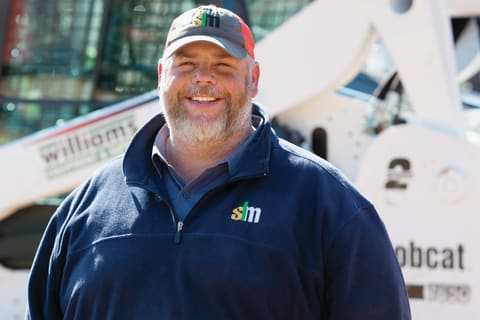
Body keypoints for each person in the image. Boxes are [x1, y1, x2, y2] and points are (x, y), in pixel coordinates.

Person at [26, 4, 411, 320]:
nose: (203, 78)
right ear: (162, 75)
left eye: (224, 66)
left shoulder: (330, 207)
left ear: (254, 79)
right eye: (186, 64)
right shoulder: (86, 211)